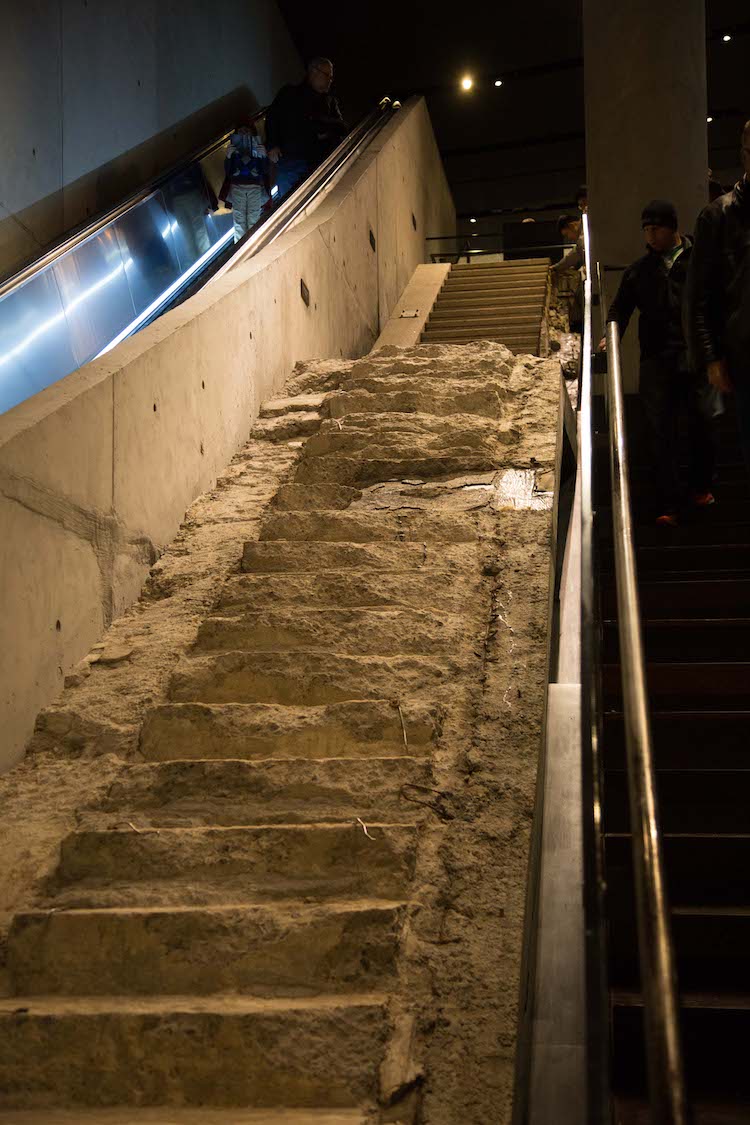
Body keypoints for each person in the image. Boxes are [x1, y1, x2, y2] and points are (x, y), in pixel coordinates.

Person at [602, 199, 717, 525]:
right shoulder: (640, 271)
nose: (649, 236)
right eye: (646, 230)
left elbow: (717, 301)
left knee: (701, 422)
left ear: (671, 227)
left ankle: (700, 487)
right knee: (659, 431)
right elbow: (619, 308)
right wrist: (610, 336)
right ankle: (669, 502)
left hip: (693, 355)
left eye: (655, 229)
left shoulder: (698, 261)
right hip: (656, 359)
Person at [686, 122, 750, 472]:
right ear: (744, 156)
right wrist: (710, 358)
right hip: (743, 355)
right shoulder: (718, 216)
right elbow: (699, 296)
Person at [265, 57, 347, 200]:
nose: (330, 80)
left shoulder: (330, 100)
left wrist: (321, 125)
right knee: (290, 201)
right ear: (313, 72)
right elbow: (272, 118)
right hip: (291, 158)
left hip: (319, 161)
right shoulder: (290, 93)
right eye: (327, 75)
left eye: (331, 77)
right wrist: (273, 145)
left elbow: (341, 127)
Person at [220, 123, 270, 242]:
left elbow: (264, 170)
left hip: (254, 186)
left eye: (247, 130)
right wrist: (228, 156)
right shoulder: (233, 147)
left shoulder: (257, 145)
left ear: (252, 132)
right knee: (239, 221)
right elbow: (228, 171)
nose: (244, 133)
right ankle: (241, 251)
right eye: (241, 131)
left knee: (253, 220)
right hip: (237, 187)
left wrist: (264, 156)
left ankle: (253, 248)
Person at [552, 214, 585, 331]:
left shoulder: (584, 238)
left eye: (567, 234)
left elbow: (574, 255)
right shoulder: (583, 237)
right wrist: (556, 268)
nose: (569, 238)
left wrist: (555, 268)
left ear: (572, 226)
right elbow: (572, 256)